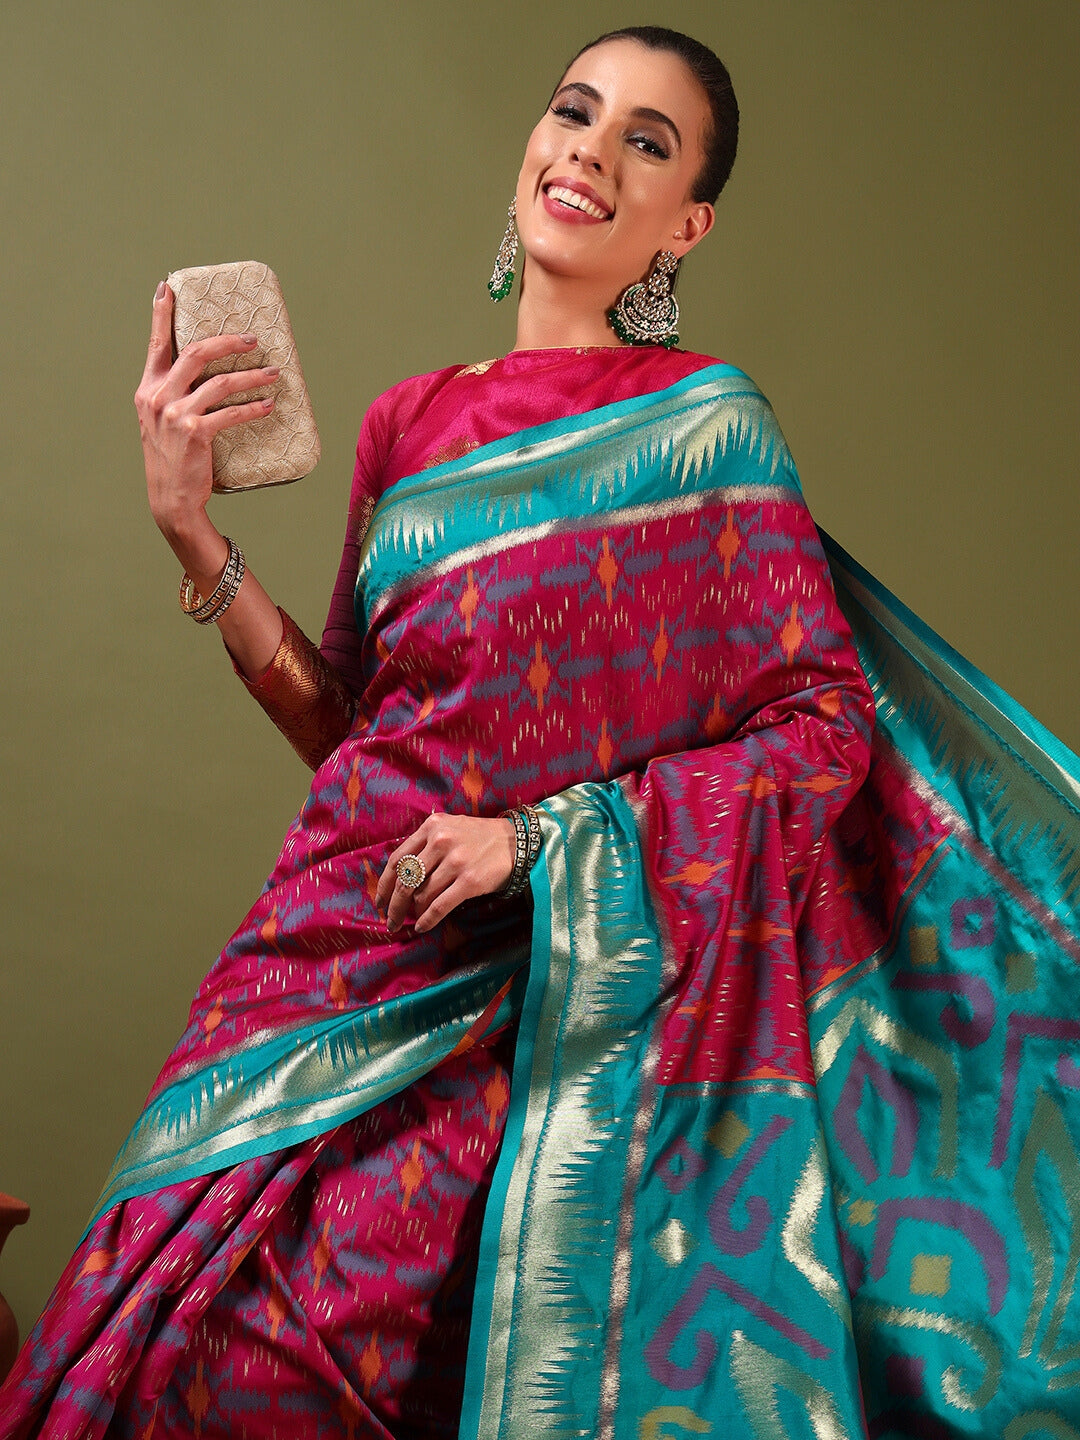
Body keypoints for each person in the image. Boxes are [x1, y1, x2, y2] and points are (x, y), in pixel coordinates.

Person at [3, 24, 1079, 1440]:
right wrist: (193, 533)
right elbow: (359, 735)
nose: (591, 151)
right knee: (157, 1361)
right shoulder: (407, 425)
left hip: (548, 1010)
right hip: (324, 959)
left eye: (647, 141)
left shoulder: (706, 428)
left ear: (687, 224)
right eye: (576, 111)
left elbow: (823, 728)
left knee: (303, 1377)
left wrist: (538, 844)